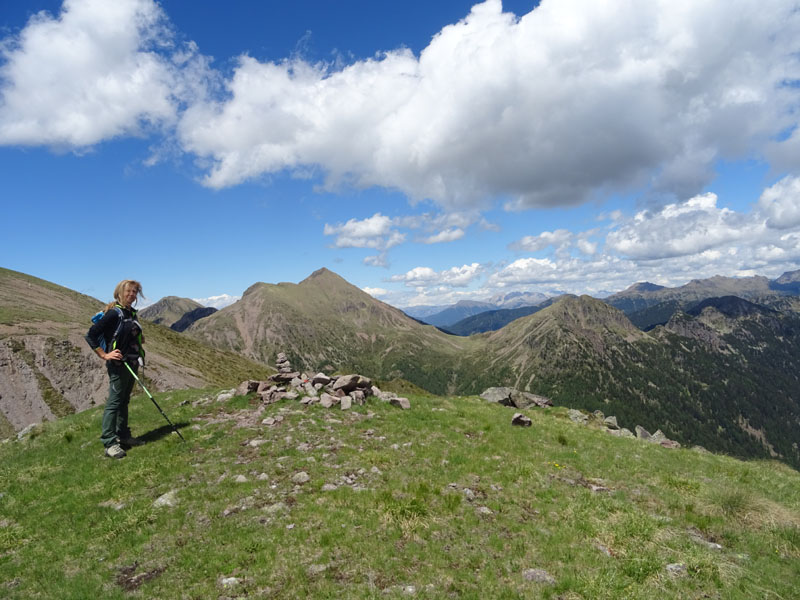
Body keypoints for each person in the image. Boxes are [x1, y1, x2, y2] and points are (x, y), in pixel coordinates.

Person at [85, 279, 146, 459]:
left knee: (124, 400)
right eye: (129, 291)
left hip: (132, 363)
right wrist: (104, 355)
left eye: (135, 292)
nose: (132, 295)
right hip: (118, 365)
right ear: (120, 292)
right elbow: (91, 335)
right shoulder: (114, 313)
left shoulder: (131, 313)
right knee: (114, 402)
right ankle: (109, 442)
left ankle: (124, 436)